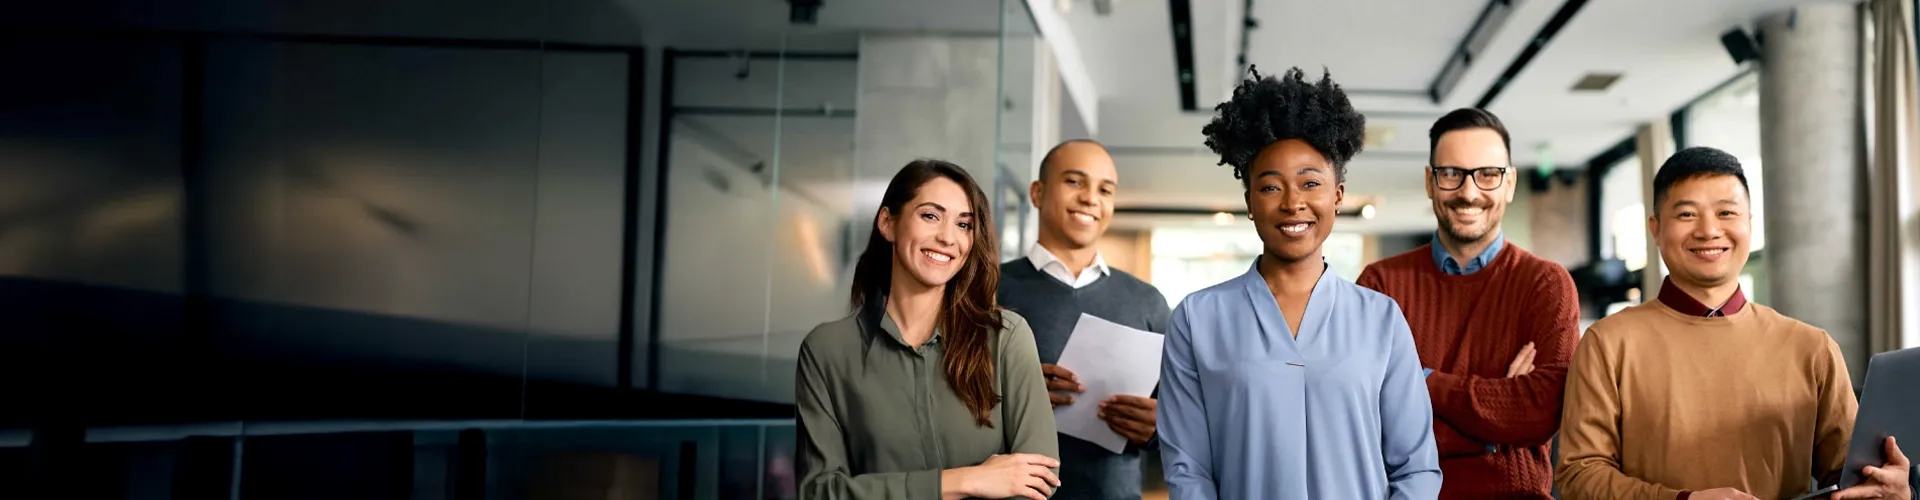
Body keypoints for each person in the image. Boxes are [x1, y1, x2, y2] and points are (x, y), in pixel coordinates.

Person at [1555, 147, 1911, 500]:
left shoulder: (1811, 347)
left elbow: (1853, 479)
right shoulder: (1608, 343)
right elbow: (1578, 475)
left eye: (1726, 212)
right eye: (1687, 215)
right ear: (1656, 228)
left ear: (1749, 224)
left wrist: (1896, 492)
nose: (1709, 230)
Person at [1157, 66, 1442, 500]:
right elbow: (1187, 468)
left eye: (1311, 183)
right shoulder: (1197, 319)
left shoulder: (1380, 319)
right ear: (1250, 201)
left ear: (1338, 196)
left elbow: (1416, 467)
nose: (1293, 203)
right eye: (1271, 187)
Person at [795, 159, 1062, 500]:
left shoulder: (1006, 337)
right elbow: (819, 492)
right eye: (931, 216)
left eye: (964, 224)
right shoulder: (826, 350)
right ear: (888, 222)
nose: (948, 237)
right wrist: (963, 481)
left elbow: (1039, 478)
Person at [1355, 108, 1579, 499]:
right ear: (1430, 181)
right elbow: (1366, 423)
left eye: (1487, 174)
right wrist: (1493, 433)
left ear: (1509, 184)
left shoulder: (1546, 284)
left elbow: (1541, 414)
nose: (1469, 192)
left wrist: (1419, 381)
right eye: (1451, 173)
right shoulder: (1380, 284)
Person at [998, 139, 1172, 500]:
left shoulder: (1148, 302)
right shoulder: (986, 290)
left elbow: (1186, 418)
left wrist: (1161, 428)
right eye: (1074, 181)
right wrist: (1013, 398)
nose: (1091, 198)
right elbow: (942, 403)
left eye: (1105, 189)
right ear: (1037, 192)